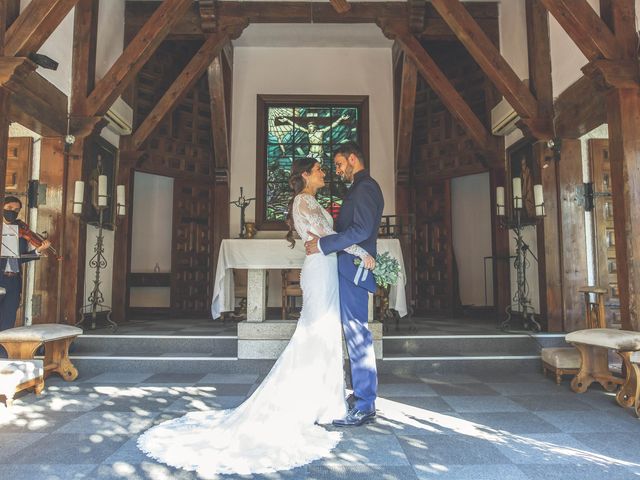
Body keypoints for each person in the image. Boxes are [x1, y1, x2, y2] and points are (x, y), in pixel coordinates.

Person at [137, 158, 375, 476]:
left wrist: (357, 251)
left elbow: (330, 240)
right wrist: (364, 253)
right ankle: (305, 400)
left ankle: (324, 399)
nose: (323, 173)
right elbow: (325, 241)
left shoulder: (314, 202)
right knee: (314, 331)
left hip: (328, 269)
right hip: (320, 272)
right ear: (305, 175)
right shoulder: (303, 201)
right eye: (318, 169)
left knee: (325, 332)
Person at [305, 141, 384, 427]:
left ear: (353, 158)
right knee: (353, 332)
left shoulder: (365, 188)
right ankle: (362, 396)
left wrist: (325, 243)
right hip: (347, 266)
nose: (337, 170)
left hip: (354, 270)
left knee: (357, 333)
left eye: (339, 164)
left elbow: (361, 229)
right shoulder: (359, 188)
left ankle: (365, 404)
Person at [0, 197, 50, 333]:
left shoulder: (20, 230)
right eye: (9, 208)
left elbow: (19, 258)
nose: (13, 212)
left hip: (14, 281)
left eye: (16, 210)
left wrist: (37, 251)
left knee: (8, 321)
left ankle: (3, 353)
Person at [278, 113, 350, 161]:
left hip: (319, 154)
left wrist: (341, 118)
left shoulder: (321, 132)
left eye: (311, 126)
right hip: (311, 153)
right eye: (308, 126)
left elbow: (333, 125)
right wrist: (287, 120)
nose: (309, 128)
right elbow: (297, 126)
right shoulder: (308, 133)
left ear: (315, 127)